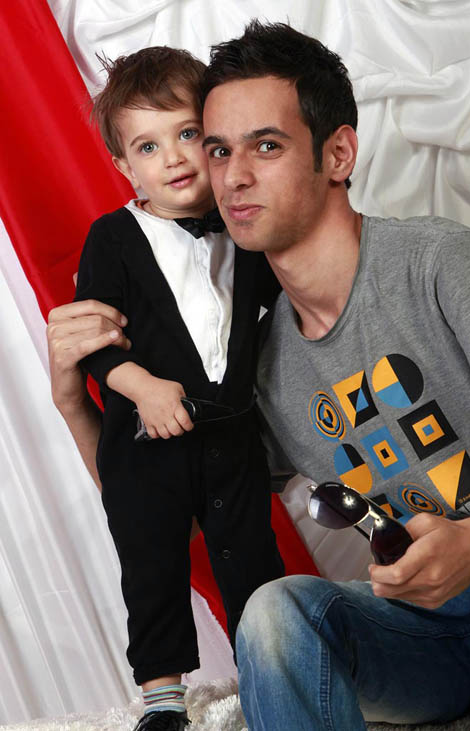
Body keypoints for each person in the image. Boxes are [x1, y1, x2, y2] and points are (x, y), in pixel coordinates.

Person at [47, 20, 470, 731]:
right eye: (218, 148)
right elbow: (167, 511)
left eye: (265, 145)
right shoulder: (258, 366)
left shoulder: (438, 264)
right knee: (273, 610)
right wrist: (75, 405)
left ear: (338, 153)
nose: (231, 175)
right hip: (426, 636)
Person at [66, 46, 284, 731]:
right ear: (125, 168)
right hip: (146, 441)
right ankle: (162, 697)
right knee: (151, 561)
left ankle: (271, 672)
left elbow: (281, 308)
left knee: (252, 557)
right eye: (148, 146)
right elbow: (95, 340)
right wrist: (142, 388)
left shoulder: (245, 227)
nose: (174, 157)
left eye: (188, 133)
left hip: (231, 431)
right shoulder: (113, 238)